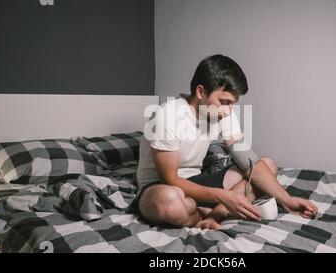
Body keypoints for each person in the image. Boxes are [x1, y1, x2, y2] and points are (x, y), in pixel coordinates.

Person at [134, 54, 318, 229]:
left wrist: (287, 200)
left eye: (232, 104)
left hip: (197, 181)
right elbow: (170, 179)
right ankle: (208, 211)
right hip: (160, 187)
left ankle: (214, 215)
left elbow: (249, 162)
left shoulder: (223, 114)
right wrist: (223, 196)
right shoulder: (167, 115)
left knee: (268, 165)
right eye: (224, 102)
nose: (229, 111)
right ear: (201, 91)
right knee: (169, 201)